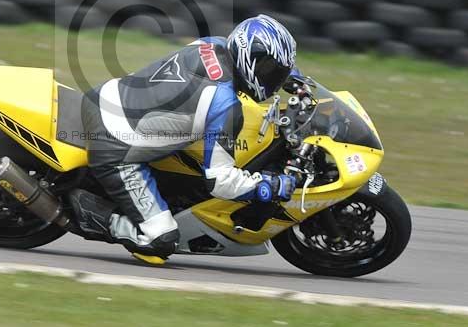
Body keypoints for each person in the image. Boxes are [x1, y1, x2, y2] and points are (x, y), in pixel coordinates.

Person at [69, 14, 300, 263]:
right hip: (115, 144)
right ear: (249, 59)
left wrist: (291, 76)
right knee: (161, 240)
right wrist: (266, 186)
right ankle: (89, 210)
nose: (273, 79)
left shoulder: (214, 44)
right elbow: (220, 182)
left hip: (107, 94)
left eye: (278, 72)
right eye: (270, 70)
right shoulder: (225, 105)